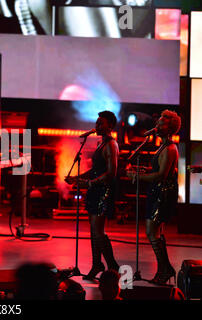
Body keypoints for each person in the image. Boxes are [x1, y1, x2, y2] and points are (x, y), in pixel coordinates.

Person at [127, 110, 180, 285]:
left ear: (170, 128)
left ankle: (165, 269)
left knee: (151, 232)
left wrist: (138, 177)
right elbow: (157, 172)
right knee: (154, 232)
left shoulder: (170, 148)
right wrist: (143, 171)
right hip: (158, 191)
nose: (157, 126)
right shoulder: (163, 147)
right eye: (157, 123)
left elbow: (161, 176)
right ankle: (164, 270)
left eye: (162, 124)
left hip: (162, 193)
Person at [65, 110, 120, 280]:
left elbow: (111, 173)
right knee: (93, 231)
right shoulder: (101, 143)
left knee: (98, 232)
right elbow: (95, 170)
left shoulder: (111, 145)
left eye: (100, 123)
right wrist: (77, 177)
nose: (96, 126)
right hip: (95, 190)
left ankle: (112, 266)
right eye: (96, 123)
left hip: (103, 191)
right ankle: (97, 264)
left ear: (110, 125)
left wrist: (88, 183)